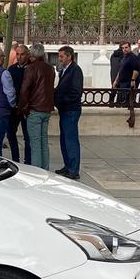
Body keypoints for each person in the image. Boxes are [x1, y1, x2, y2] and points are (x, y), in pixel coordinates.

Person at [19, 43, 55, 170]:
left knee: (35, 143)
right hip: (46, 108)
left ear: (32, 54)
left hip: (35, 109)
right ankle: (45, 169)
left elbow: (24, 90)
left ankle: (37, 171)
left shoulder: (31, 68)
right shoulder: (50, 68)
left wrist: (24, 108)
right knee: (43, 142)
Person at [55, 46, 83, 180]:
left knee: (71, 139)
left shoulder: (75, 71)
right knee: (64, 138)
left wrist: (62, 100)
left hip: (71, 109)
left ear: (69, 56)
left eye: (61, 56)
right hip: (64, 109)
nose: (59, 59)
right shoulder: (64, 70)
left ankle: (73, 168)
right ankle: (67, 165)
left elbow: (76, 92)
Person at [5, 44, 31, 163]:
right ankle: (15, 159)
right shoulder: (12, 69)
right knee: (10, 133)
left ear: (27, 55)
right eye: (18, 54)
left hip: (27, 108)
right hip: (14, 108)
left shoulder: (31, 69)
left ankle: (27, 160)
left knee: (27, 136)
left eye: (22, 54)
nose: (20, 57)